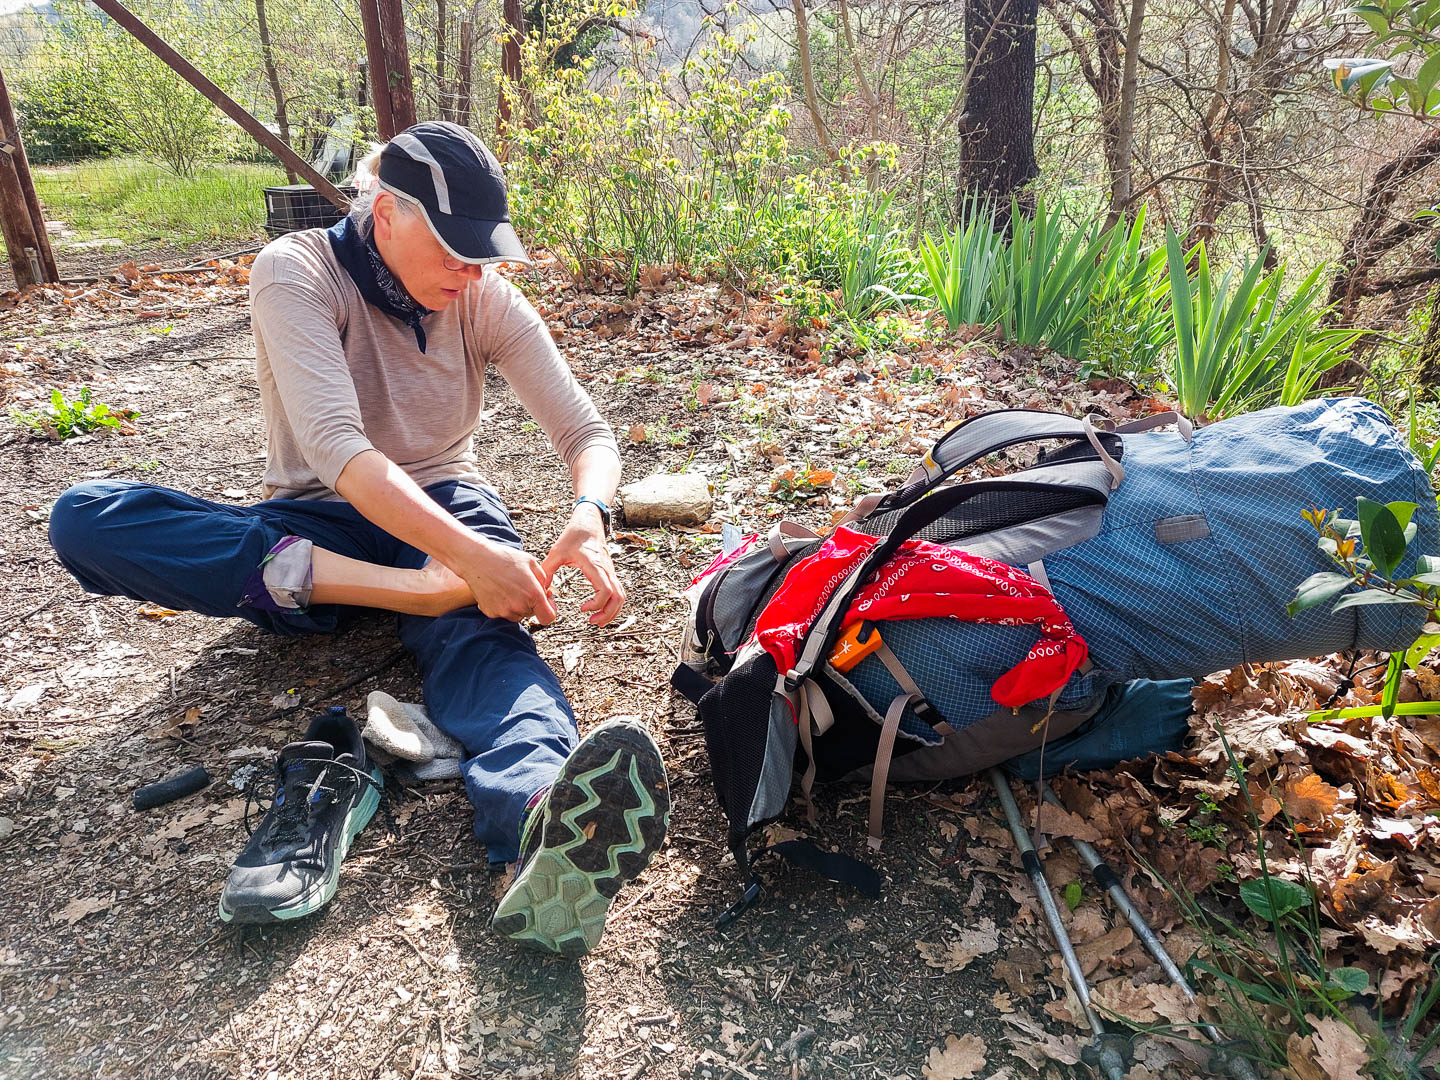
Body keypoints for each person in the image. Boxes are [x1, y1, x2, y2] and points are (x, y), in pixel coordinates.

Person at [46, 121, 670, 957]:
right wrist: (452, 571)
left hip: (446, 498)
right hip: (316, 519)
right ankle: (412, 600)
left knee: (490, 645)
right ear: (386, 217)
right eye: (453, 252)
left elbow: (586, 430)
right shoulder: (296, 272)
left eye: (482, 253)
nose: (472, 272)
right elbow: (342, 453)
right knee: (87, 517)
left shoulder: (481, 296)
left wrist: (587, 516)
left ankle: (541, 816)